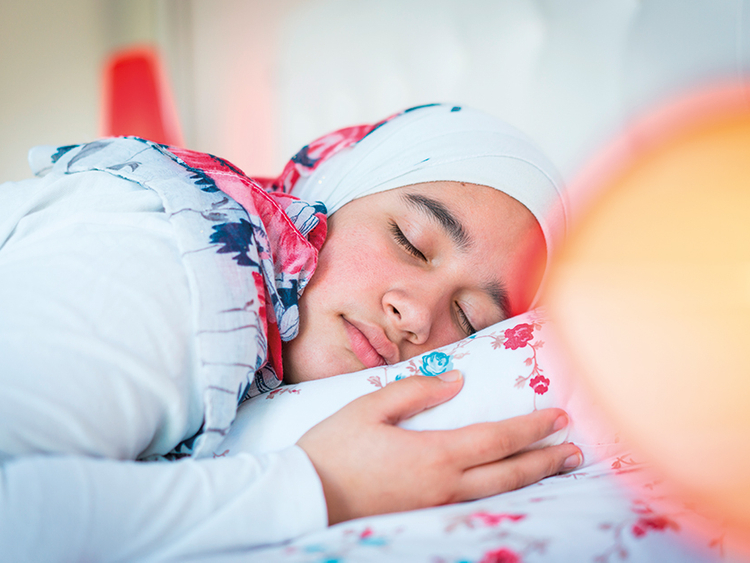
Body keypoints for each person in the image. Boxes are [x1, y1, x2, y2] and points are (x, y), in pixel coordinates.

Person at [0, 104, 581, 561]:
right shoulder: (185, 257)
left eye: (471, 318)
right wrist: (321, 485)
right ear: (334, 196)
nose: (418, 313)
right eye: (409, 240)